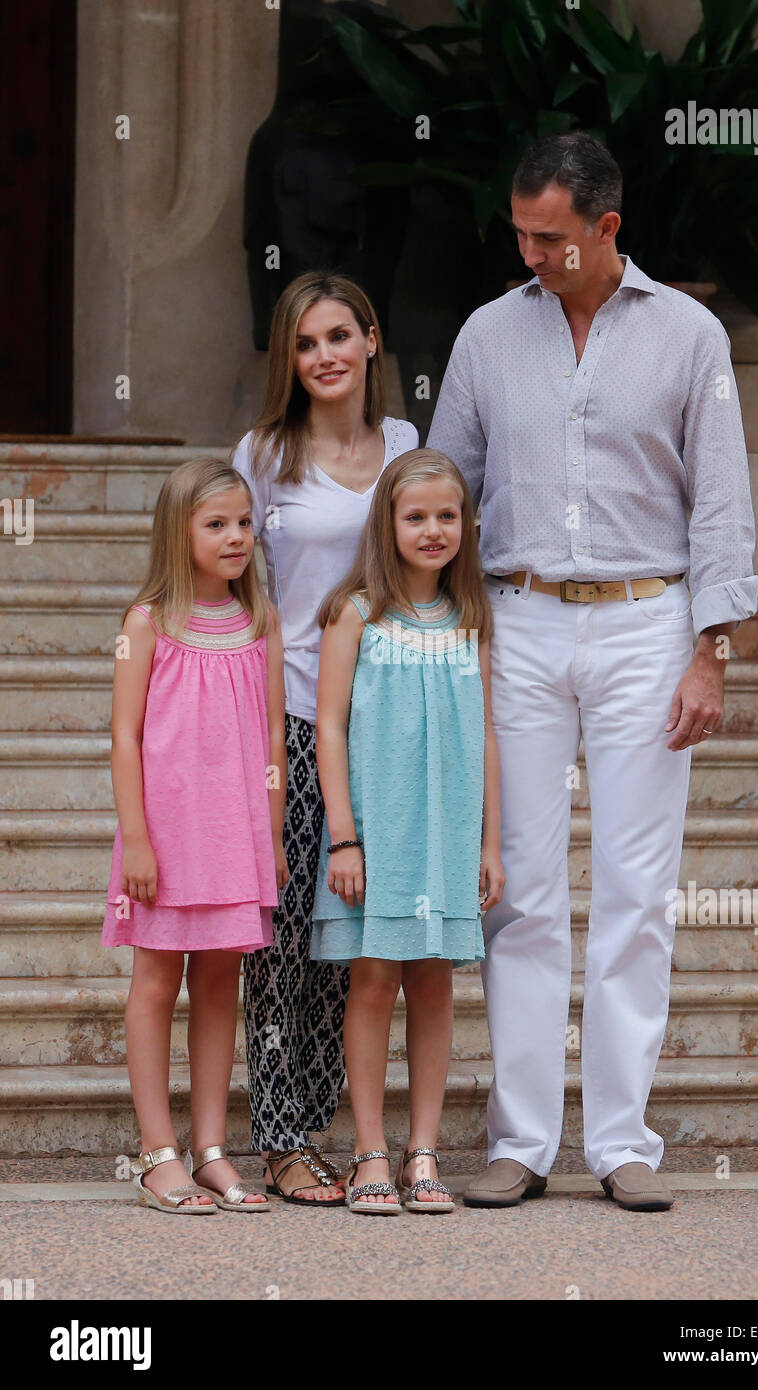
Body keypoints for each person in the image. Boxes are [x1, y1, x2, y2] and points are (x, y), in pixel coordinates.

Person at [428, 132, 758, 1212]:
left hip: (644, 623)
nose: (528, 252)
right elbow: (443, 489)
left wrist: (709, 651)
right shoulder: (486, 334)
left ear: (605, 229)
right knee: (515, 889)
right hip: (516, 619)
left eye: (549, 237)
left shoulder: (689, 335)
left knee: (634, 893)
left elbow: (718, 499)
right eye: (519, 232)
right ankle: (519, 1140)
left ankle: (620, 1140)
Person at [232, 272, 418, 1205]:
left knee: (351, 941)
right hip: (292, 712)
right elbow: (244, 590)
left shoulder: (410, 450)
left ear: (373, 339)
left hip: (385, 721)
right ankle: (279, 1139)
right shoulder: (264, 454)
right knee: (278, 937)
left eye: (339, 335)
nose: (324, 357)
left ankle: (322, 1123)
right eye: (305, 345)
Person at [310, 449, 504, 1214]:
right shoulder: (354, 612)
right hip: (379, 831)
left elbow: (486, 732)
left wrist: (488, 843)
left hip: (448, 833)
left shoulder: (472, 618)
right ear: (387, 523)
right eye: (415, 515)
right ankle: (369, 1153)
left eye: (447, 516)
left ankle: (424, 1151)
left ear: (466, 524)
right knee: (372, 979)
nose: (432, 530)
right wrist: (345, 836)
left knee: (433, 980)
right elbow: (328, 726)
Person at [102, 457, 287, 1213]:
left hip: (235, 837)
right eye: (216, 524)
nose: (236, 536)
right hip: (167, 839)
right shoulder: (146, 624)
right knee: (156, 984)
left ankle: (211, 1146)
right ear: (179, 534)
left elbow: (274, 736)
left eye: (244, 522)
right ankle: (157, 1152)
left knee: (221, 983)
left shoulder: (261, 622)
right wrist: (137, 841)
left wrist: (270, 837)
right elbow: (124, 735)